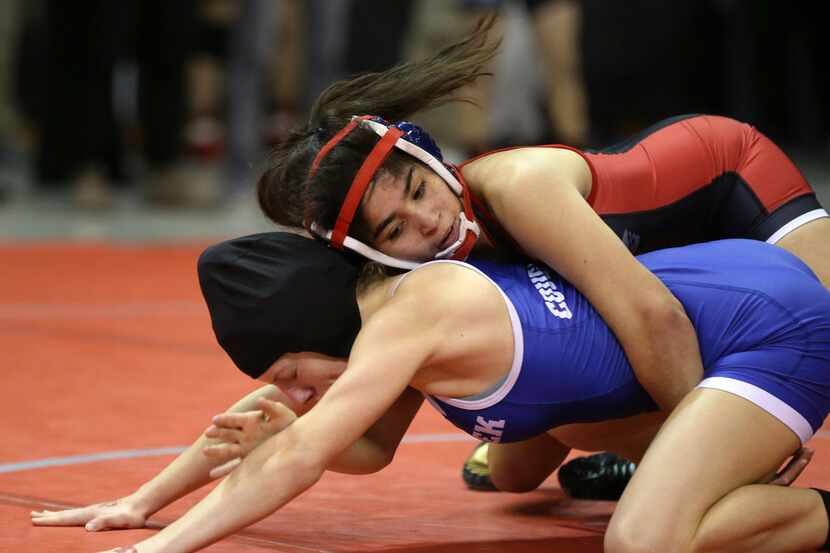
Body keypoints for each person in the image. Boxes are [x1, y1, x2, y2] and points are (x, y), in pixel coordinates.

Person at [254, 15, 830, 495]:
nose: (429, 221)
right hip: (640, 263)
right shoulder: (419, 269)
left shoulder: (519, 190)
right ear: (373, 251)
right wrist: (287, 420)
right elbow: (376, 439)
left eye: (420, 191)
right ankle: (647, 460)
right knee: (513, 473)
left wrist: (707, 475)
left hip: (730, 181)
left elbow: (653, 318)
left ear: (431, 160)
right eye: (396, 226)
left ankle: (655, 466)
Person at [31, 232, 830, 553]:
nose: (288, 393)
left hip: (769, 326)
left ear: (317, 335)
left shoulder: (412, 318)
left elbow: (302, 450)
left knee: (644, 542)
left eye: (287, 373)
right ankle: (695, 464)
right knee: (518, 469)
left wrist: (161, 548)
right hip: (703, 306)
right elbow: (336, 441)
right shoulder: (382, 320)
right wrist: (144, 499)